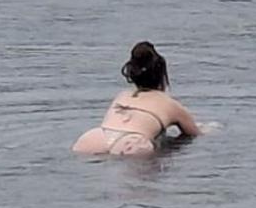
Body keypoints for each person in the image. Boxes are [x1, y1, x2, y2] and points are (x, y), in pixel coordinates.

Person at [72, 41, 201, 156]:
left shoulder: (123, 95)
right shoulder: (170, 105)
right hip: (133, 142)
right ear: (162, 76)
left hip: (97, 137)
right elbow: (194, 133)